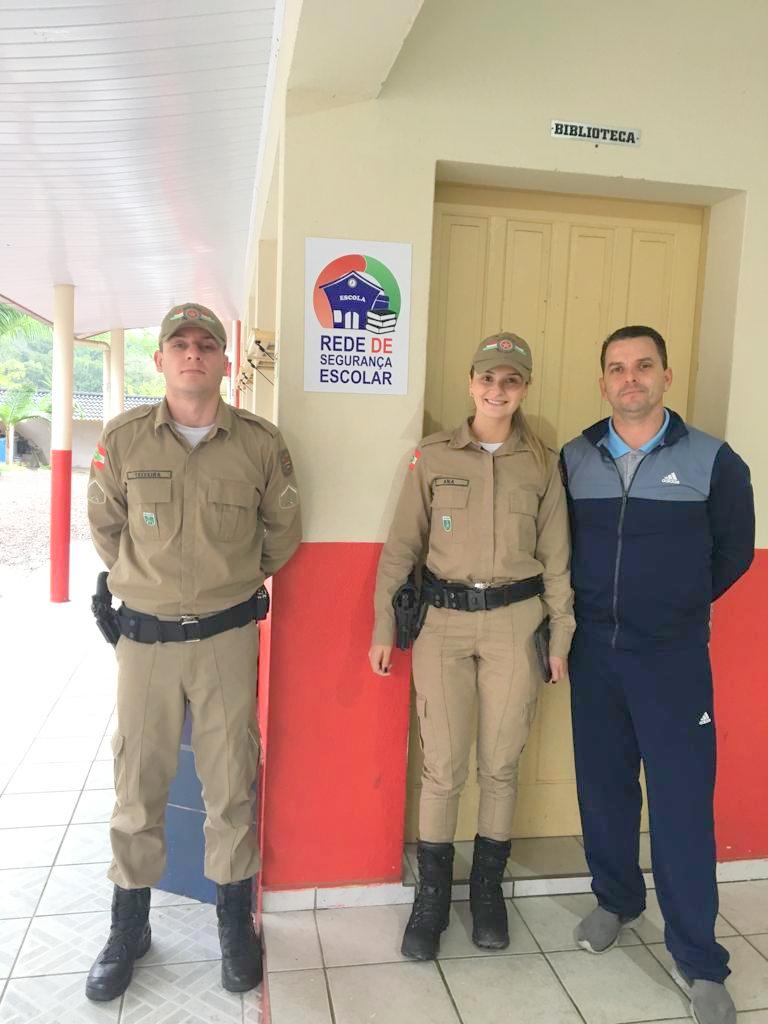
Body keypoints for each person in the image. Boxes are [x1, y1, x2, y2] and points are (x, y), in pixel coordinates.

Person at [85, 303, 301, 1002]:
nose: (193, 354)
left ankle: (235, 924)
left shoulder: (261, 445)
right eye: (179, 344)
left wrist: (228, 589)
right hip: (143, 642)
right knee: (137, 782)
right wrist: (142, 588)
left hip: (226, 639)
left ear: (224, 361)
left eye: (207, 344)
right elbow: (106, 527)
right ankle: (129, 926)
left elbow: (281, 535)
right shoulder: (123, 441)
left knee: (230, 780)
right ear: (160, 360)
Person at [561, 326, 754, 1024]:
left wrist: (675, 604)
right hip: (594, 654)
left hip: (671, 659)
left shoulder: (712, 461)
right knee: (604, 790)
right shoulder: (575, 458)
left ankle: (700, 959)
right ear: (603, 379)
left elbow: (733, 551)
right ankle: (617, 900)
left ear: (666, 376)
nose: (630, 378)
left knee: (679, 806)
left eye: (644, 366)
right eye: (616, 368)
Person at [369, 332, 575, 960]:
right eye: (487, 378)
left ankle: (487, 886)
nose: (497, 389)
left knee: (501, 764)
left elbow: (558, 557)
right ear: (470, 382)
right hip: (443, 625)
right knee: (443, 766)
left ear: (524, 388)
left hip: (516, 623)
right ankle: (433, 894)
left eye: (510, 380)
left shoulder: (542, 461)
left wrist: (561, 634)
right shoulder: (431, 457)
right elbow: (401, 549)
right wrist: (384, 626)